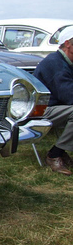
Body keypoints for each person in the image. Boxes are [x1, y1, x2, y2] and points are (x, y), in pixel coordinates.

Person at [33, 25, 73, 176]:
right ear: (68, 43)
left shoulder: (67, 62)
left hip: (58, 107)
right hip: (41, 111)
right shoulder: (55, 63)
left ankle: (61, 152)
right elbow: (69, 96)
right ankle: (54, 154)